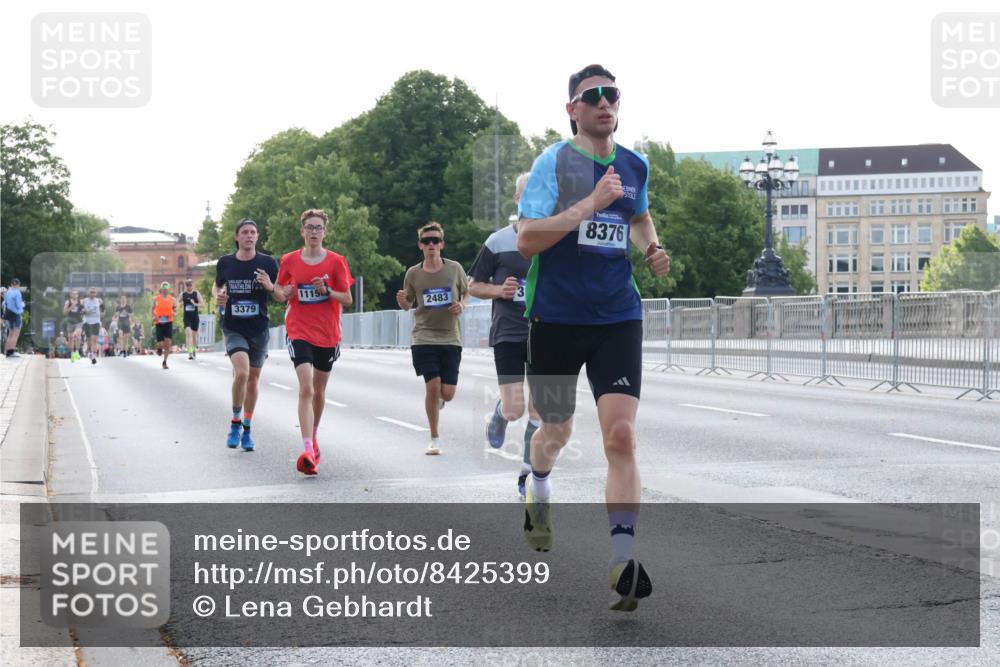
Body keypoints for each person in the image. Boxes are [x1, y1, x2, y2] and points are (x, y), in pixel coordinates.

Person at [516, 64, 672, 612]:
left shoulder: (634, 165)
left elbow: (639, 216)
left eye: (613, 95)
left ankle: (623, 560)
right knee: (555, 430)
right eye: (593, 96)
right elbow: (529, 239)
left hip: (616, 317)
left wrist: (651, 247)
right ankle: (537, 486)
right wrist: (588, 205)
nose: (606, 103)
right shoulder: (553, 162)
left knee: (621, 437)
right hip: (556, 319)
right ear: (572, 109)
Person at [469, 173, 541, 499]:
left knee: (540, 409)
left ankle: (526, 477)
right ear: (517, 199)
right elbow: (472, 285)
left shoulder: (556, 240)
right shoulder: (497, 242)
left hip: (546, 332)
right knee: (515, 409)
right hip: (509, 332)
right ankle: (500, 416)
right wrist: (500, 290)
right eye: (528, 194)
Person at [275, 209, 354, 475]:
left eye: (318, 228)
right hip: (299, 330)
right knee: (306, 388)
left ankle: (315, 436)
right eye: (309, 227)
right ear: (302, 231)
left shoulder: (335, 262)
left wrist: (327, 291)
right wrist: (283, 292)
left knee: (319, 392)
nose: (313, 232)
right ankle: (307, 448)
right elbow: (278, 291)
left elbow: (347, 298)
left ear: (325, 232)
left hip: (328, 333)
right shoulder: (289, 260)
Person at [396, 222, 469, 455]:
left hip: (450, 337)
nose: (431, 245)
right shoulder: (413, 273)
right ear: (420, 245)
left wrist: (462, 305)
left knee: (447, 393)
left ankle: (439, 401)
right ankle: (434, 438)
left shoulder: (455, 269)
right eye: (426, 241)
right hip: (424, 336)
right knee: (432, 386)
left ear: (442, 244)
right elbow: (408, 304)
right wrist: (402, 301)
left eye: (435, 241)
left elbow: (467, 293)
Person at [214, 219, 279, 452]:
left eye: (253, 232)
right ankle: (235, 422)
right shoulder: (226, 263)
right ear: (237, 237)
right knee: (241, 372)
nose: (249, 236)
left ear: (257, 237)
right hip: (233, 326)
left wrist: (270, 285)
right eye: (244, 232)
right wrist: (219, 295)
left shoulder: (268, 263)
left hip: (259, 328)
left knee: (253, 380)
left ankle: (248, 429)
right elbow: (217, 286)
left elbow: (281, 293)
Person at [152, 282, 177, 368]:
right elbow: (152, 309)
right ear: (161, 290)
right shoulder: (156, 299)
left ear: (169, 290)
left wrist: (175, 312)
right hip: (159, 322)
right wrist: (154, 316)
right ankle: (159, 348)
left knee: (168, 343)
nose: (165, 291)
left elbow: (175, 309)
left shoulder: (172, 299)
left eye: (167, 289)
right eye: (164, 289)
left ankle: (165, 362)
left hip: (168, 322)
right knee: (161, 343)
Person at [181, 279, 204, 360]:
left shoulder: (196, 294)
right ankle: (190, 352)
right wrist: (178, 305)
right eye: (187, 285)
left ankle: (193, 350)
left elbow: (203, 304)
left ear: (192, 285)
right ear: (185, 286)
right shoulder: (183, 294)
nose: (188, 287)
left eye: (190, 285)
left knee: (194, 336)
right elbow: (177, 303)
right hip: (186, 317)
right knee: (188, 333)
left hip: (194, 317)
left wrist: (195, 304)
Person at [3, 279, 25, 358]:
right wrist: (23, 305)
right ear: (18, 285)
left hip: (9, 314)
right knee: (15, 334)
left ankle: (7, 352)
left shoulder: (8, 292)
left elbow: (6, 303)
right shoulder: (17, 292)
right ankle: (11, 352)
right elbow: (18, 305)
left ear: (11, 284)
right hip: (16, 315)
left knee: (10, 334)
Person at [81, 287, 104, 365]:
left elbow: (103, 309)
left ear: (96, 293)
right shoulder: (84, 301)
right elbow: (80, 310)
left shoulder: (99, 301)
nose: (92, 294)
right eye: (91, 292)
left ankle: (93, 356)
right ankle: (90, 352)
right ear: (88, 293)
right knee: (89, 340)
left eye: (94, 292)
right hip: (87, 322)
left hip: (96, 322)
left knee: (94, 340)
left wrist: (101, 314)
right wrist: (84, 311)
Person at [63, 290, 85, 362]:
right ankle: (72, 353)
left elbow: (84, 310)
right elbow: (64, 312)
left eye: (76, 294)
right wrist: (71, 307)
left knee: (77, 336)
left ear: (78, 295)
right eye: (73, 294)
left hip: (79, 322)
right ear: (70, 295)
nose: (75, 295)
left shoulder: (81, 302)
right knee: (70, 338)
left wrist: (84, 311)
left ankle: (77, 351)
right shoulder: (68, 302)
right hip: (70, 322)